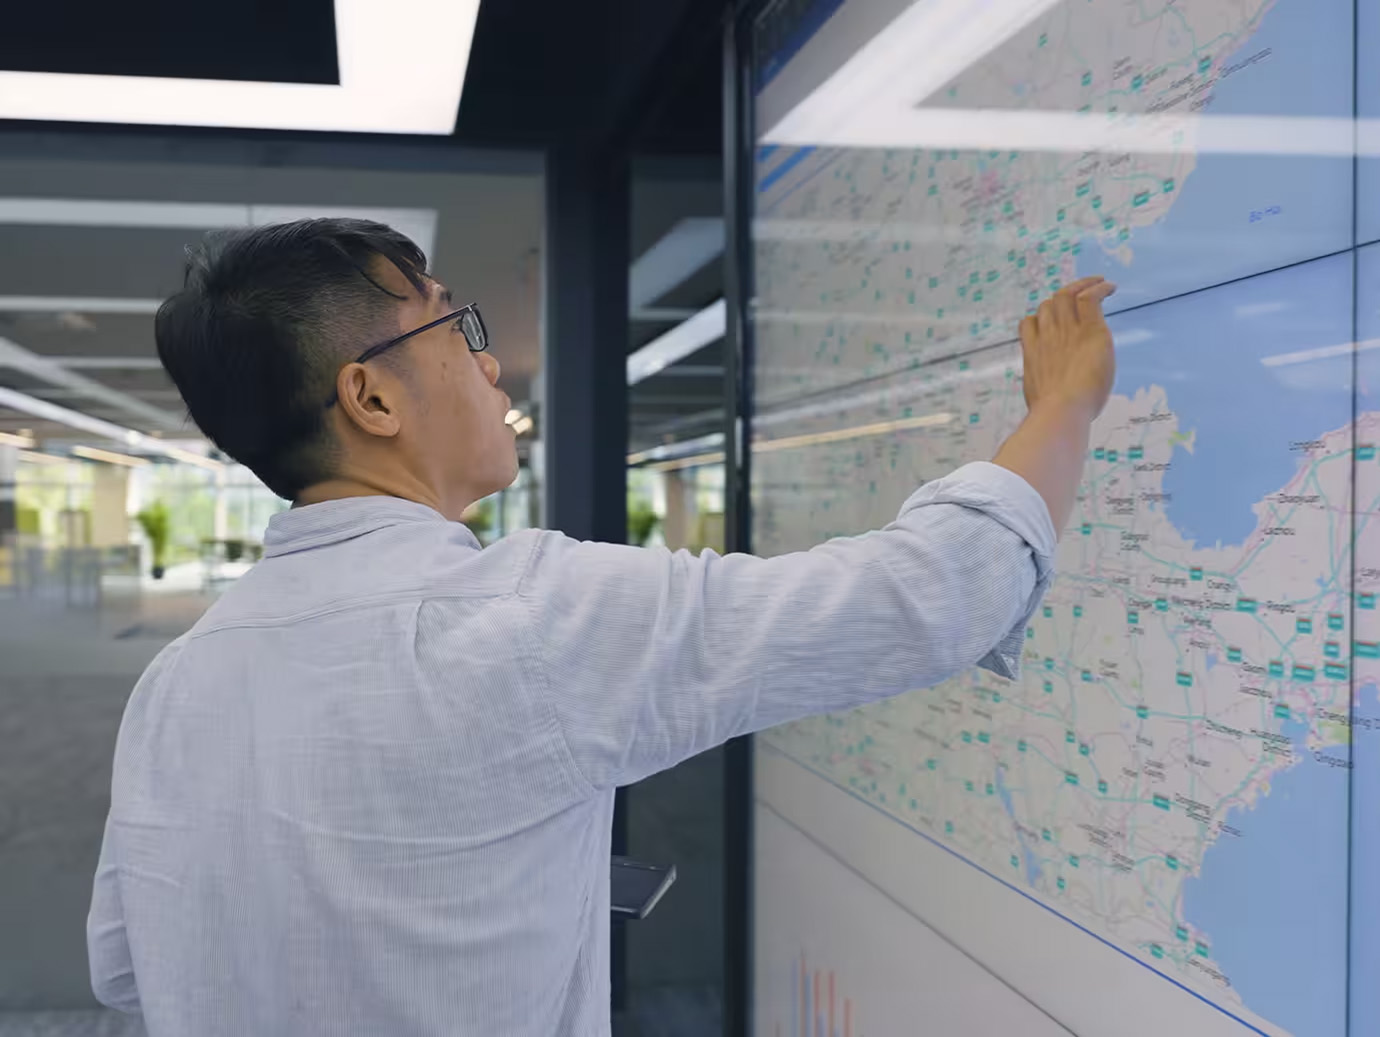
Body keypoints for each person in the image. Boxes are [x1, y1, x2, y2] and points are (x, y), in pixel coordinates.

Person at [87, 218, 1116, 1036]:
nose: (491, 368)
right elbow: (923, 592)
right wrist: (1064, 405)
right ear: (370, 397)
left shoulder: (174, 682)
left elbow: (126, 959)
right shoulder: (526, 617)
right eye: (455, 327)